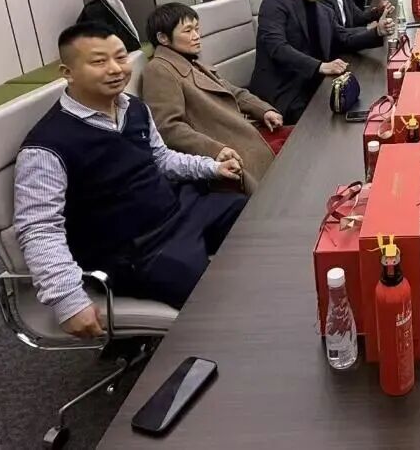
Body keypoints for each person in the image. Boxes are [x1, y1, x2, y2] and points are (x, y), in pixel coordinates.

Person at [14, 23, 246, 337]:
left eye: (121, 58)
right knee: (215, 299)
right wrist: (67, 299)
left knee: (252, 217)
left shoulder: (133, 108)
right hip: (136, 249)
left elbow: (161, 159)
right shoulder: (46, 145)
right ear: (68, 72)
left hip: (178, 210)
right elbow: (39, 228)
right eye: (99, 61)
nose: (115, 69)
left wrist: (211, 168)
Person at [142, 3, 287, 195]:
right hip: (229, 150)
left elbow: (232, 91)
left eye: (197, 29)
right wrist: (214, 149)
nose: (196, 36)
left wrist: (263, 110)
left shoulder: (190, 61)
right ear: (163, 38)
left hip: (244, 135)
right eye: (188, 31)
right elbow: (169, 128)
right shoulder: (158, 70)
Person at [250, 0, 395, 123]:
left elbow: (343, 38)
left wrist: (377, 32)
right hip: (284, 92)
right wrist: (320, 66)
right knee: (332, 123)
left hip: (318, 87)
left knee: (367, 105)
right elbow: (277, 48)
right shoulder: (276, 2)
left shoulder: (324, 11)